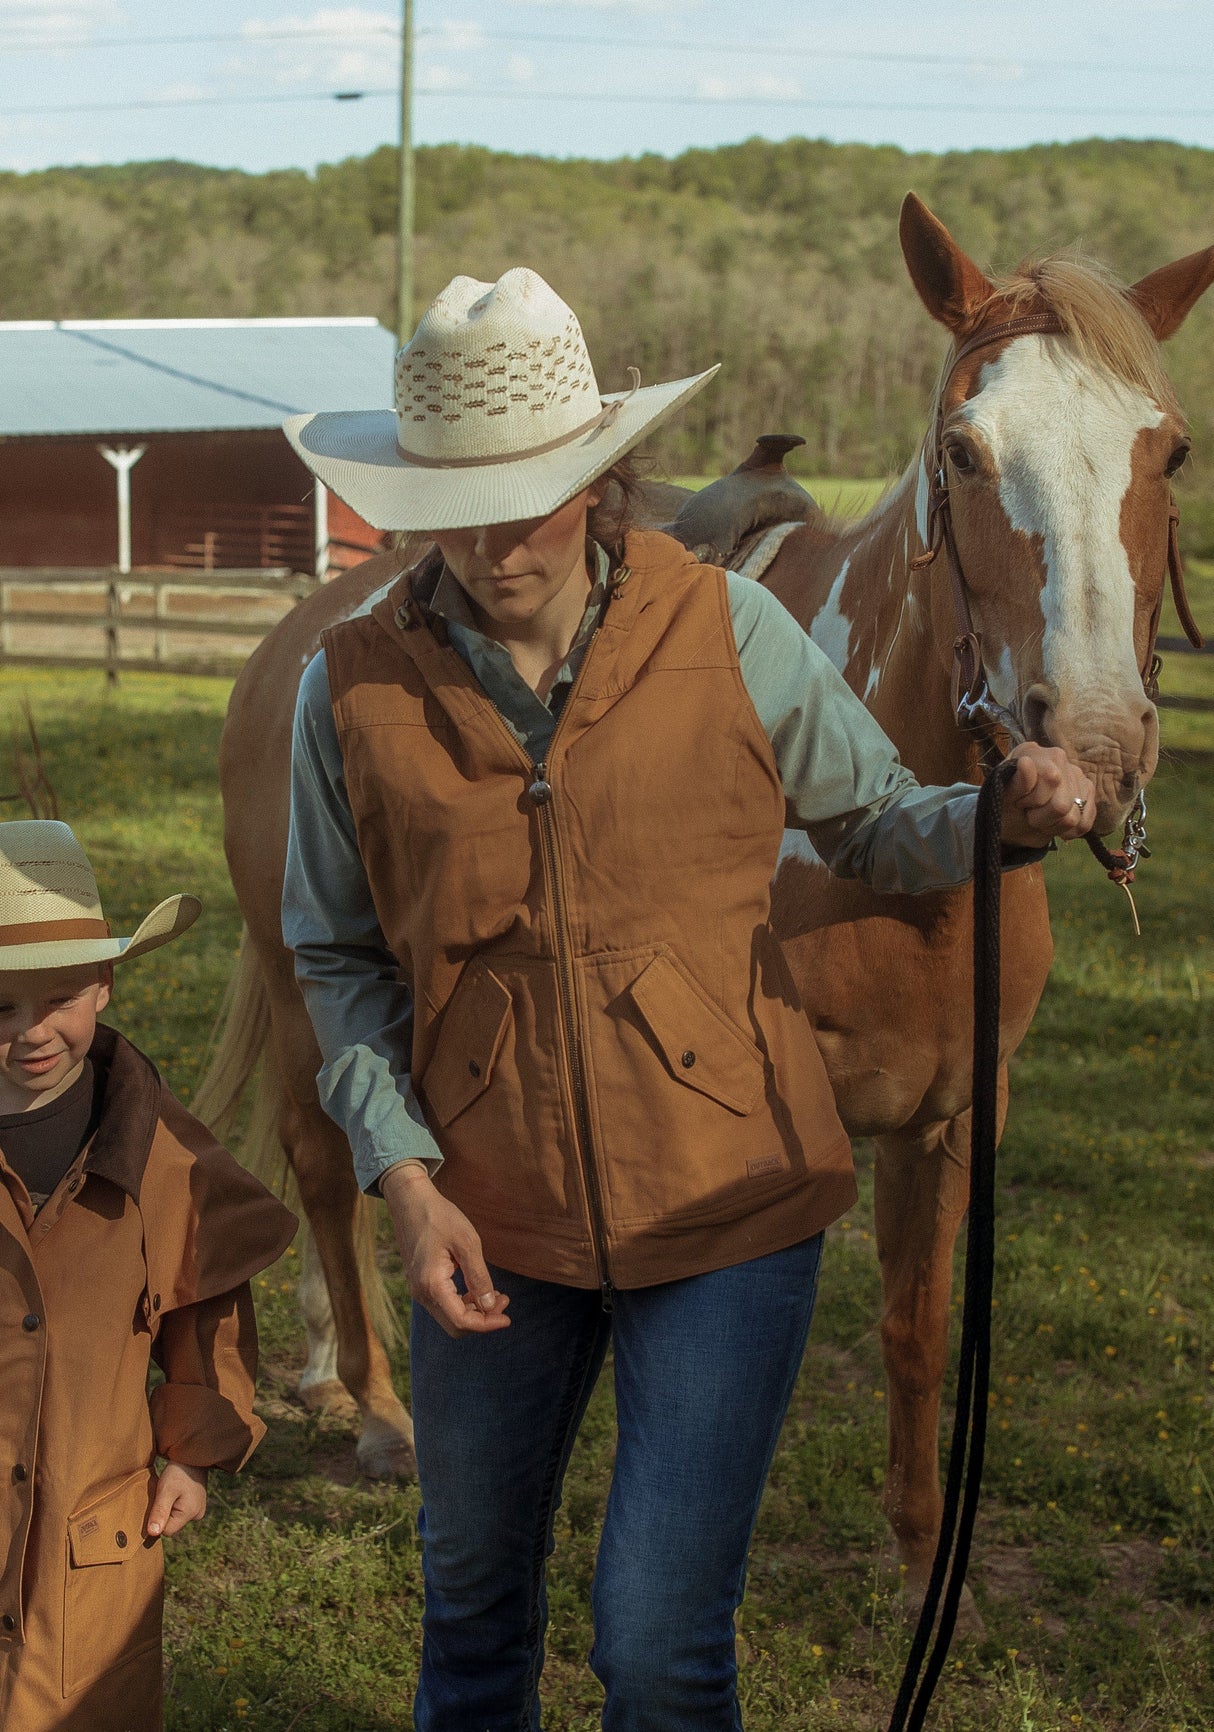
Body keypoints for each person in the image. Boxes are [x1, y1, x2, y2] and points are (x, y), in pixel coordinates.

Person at [281, 267, 1094, 1731]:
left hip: (727, 1203)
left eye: (527, 491)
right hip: (485, 1214)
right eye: (452, 501)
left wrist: (994, 822)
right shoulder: (344, 689)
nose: (490, 537)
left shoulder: (727, 629)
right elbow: (334, 959)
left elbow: (873, 824)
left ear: (600, 477)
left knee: (657, 1644)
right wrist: (400, 1175)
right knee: (470, 1615)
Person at [0, 820, 297, 1732]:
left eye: (59, 999)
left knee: (81, 1705)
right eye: (0, 1009)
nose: (33, 1032)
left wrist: (192, 1453)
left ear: (105, 983)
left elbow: (204, 1309)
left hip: (89, 1542)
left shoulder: (166, 1156)